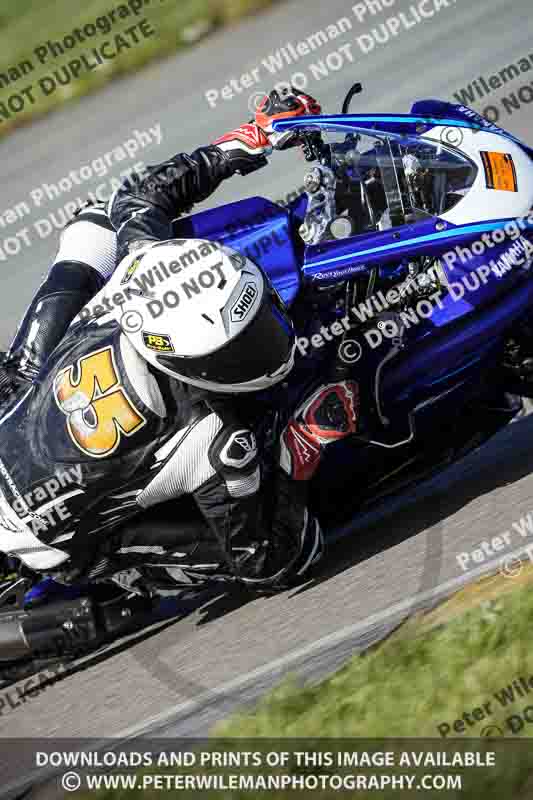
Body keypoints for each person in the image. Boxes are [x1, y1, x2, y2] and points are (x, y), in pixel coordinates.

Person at [0, 88, 357, 597]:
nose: (264, 341)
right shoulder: (212, 443)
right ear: (195, 365)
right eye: (243, 346)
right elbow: (267, 561)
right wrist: (303, 442)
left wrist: (247, 141)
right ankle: (120, 572)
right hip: (42, 534)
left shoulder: (139, 270)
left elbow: (139, 198)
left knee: (97, 224)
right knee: (287, 553)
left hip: (15, 404)